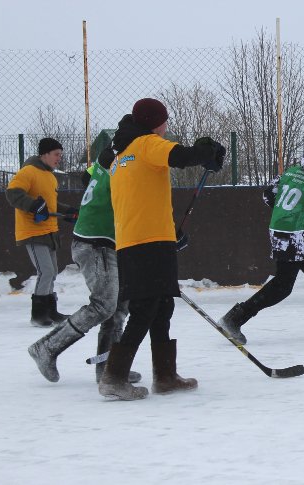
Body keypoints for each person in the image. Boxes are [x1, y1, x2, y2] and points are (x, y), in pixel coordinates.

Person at [99, 98, 225, 400]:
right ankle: (114, 378)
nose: (167, 126)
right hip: (149, 241)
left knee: (161, 305)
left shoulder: (121, 152)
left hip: (136, 239)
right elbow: (180, 156)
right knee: (145, 307)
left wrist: (169, 230)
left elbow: (142, 193)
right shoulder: (146, 143)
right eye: (164, 120)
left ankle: (165, 376)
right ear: (154, 122)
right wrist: (209, 151)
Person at [218, 140, 304, 343]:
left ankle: (236, 318)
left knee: (287, 283)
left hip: (278, 231)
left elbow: (268, 196)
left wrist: (288, 215)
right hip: (299, 237)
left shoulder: (291, 172)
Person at [27, 160, 141, 385]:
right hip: (97, 242)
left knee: (118, 307)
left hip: (107, 240)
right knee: (104, 305)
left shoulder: (112, 157)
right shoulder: (128, 161)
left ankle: (109, 368)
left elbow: (87, 175)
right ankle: (47, 347)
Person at [6, 138, 79, 327]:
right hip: (33, 231)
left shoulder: (50, 176)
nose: (59, 158)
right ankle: (38, 315)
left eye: (60, 155)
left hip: (49, 231)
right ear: (44, 154)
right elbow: (13, 194)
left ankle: (51, 312)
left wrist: (67, 211)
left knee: (52, 272)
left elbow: (50, 205)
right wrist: (33, 206)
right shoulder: (28, 171)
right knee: (45, 271)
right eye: (56, 154)